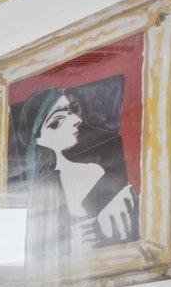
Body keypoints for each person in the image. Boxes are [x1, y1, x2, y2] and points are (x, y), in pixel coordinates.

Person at [19, 86, 140, 267]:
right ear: (37, 138)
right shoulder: (38, 192)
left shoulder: (94, 172)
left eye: (72, 111)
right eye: (57, 122)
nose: (76, 120)